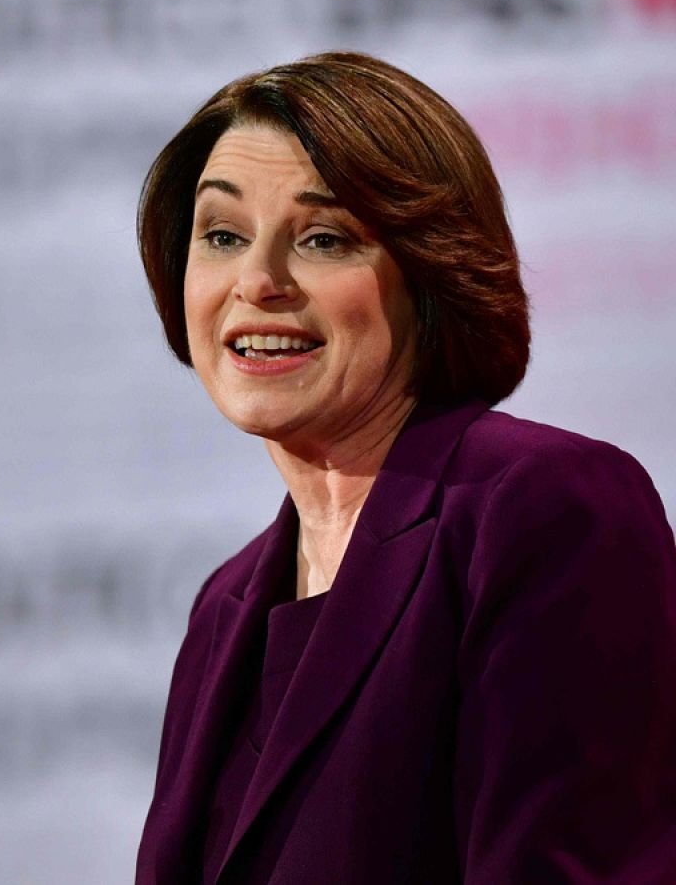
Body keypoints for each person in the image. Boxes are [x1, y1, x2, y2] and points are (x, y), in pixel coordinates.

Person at [131, 52, 676, 883]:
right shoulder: (225, 605)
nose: (258, 281)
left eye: (323, 239)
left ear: (431, 271)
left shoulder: (543, 509)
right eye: (223, 236)